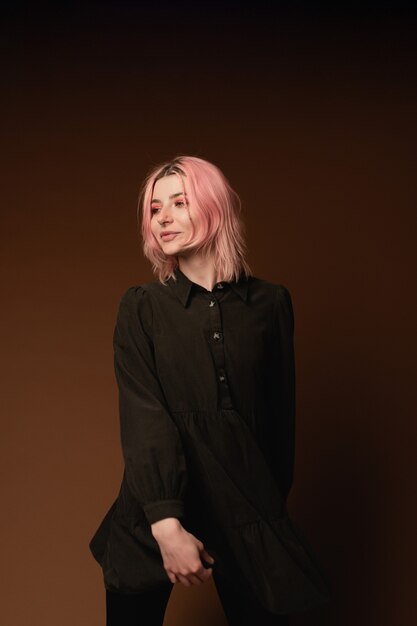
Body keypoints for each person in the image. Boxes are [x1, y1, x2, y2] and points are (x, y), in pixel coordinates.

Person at [89, 155, 328, 626]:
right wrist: (164, 521)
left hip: (246, 505)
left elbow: (279, 418)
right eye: (155, 209)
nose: (164, 217)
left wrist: (268, 508)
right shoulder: (143, 308)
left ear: (214, 207)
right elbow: (144, 415)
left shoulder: (271, 304)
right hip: (158, 509)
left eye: (180, 202)